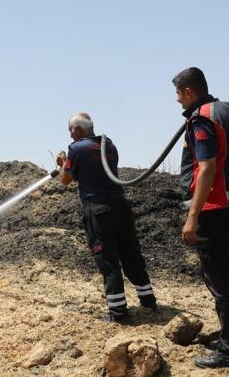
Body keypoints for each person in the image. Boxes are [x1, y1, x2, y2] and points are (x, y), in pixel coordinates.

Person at [173, 67, 229, 368]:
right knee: (223, 276)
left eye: (178, 95)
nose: (178, 102)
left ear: (188, 91)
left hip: (213, 210)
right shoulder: (228, 112)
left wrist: (192, 217)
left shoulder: (202, 118)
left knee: (219, 280)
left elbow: (206, 169)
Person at [56, 113, 157, 321]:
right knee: (131, 255)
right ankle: (149, 301)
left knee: (107, 260)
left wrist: (63, 162)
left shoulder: (76, 149)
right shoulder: (108, 145)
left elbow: (65, 179)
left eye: (70, 129)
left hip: (98, 209)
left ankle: (118, 312)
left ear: (78, 129)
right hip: (120, 206)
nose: (69, 133)